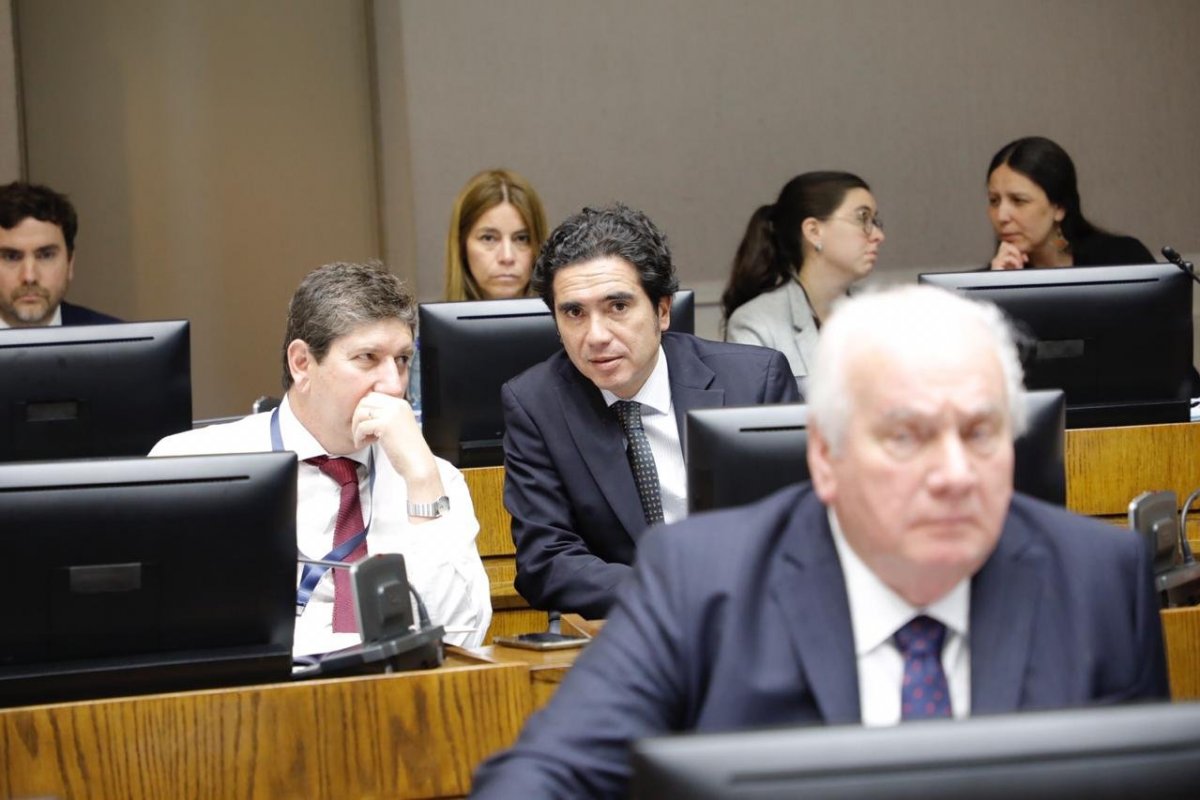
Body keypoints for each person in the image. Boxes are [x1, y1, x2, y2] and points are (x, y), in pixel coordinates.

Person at [470, 285, 1167, 799]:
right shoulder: (703, 583)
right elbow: (545, 776)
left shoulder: (1101, 578)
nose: (955, 475)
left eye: (981, 433)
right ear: (826, 456)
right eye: (906, 436)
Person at [151, 261, 491, 657]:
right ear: (301, 364)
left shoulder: (433, 480)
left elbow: (462, 638)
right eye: (367, 357)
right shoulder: (193, 463)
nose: (393, 385)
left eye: (401, 360)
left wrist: (421, 482)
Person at [502, 203, 799, 619]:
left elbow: (798, 530)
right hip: (626, 627)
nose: (596, 336)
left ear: (662, 311)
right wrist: (672, 593)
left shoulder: (754, 380)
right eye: (573, 313)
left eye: (617, 307)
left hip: (749, 618)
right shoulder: (536, 403)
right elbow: (546, 561)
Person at [722, 172, 884, 395]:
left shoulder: (882, 315)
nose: (877, 235)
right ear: (814, 231)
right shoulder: (755, 323)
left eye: (875, 221)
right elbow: (755, 421)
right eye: (862, 219)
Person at [986, 136, 1154, 270]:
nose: (1001, 216)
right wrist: (997, 285)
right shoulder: (986, 282)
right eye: (994, 201)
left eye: (1018, 200)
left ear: (1059, 207)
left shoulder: (1123, 260)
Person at [0, 181, 120, 328]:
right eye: (11, 257)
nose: (29, 277)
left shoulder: (120, 343)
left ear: (70, 263)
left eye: (46, 255)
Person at [445, 168, 548, 301]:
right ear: (462, 246)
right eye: (488, 238)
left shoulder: (570, 320)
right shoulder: (428, 322)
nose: (507, 257)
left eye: (521, 239)